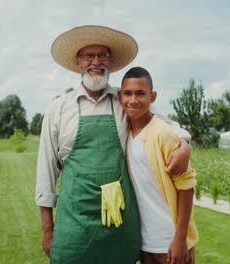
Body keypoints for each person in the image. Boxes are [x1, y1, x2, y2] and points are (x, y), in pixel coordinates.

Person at [36, 25, 192, 263]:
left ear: (110, 62)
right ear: (78, 62)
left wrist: (184, 144)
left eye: (103, 55)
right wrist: (48, 231)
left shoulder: (124, 99)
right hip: (74, 224)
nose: (96, 62)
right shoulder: (58, 108)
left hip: (119, 225)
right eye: (89, 55)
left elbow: (166, 122)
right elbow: (45, 173)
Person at [118, 67, 198, 264]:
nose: (133, 100)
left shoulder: (164, 134)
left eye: (140, 93)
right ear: (120, 96)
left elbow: (187, 188)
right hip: (145, 242)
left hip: (170, 242)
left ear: (152, 96)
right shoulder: (124, 133)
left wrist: (180, 239)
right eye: (127, 93)